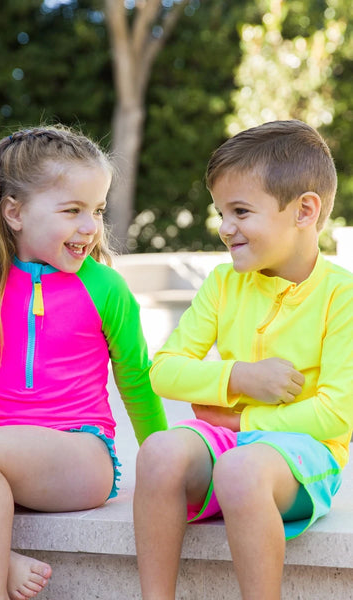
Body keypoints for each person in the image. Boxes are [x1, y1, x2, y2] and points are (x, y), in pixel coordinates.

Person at [0, 125, 167, 600]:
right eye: (73, 211)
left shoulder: (105, 288)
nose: (90, 227)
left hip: (82, 457)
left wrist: (165, 465)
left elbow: (137, 382)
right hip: (2, 451)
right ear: (15, 212)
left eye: (97, 210)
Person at [133, 120, 353, 600]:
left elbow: (337, 413)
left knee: (240, 469)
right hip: (233, 446)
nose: (224, 227)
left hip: (304, 459)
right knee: (159, 452)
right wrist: (241, 376)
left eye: (240, 211)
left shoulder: (342, 295)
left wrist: (243, 419)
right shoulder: (223, 283)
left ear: (304, 211)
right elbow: (165, 370)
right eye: (221, 212)